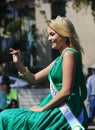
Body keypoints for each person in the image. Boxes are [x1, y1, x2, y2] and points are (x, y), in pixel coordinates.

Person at [0, 16, 88, 130]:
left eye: (52, 34)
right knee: (6, 116)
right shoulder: (59, 59)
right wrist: (18, 63)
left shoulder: (69, 54)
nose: (49, 39)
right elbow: (34, 79)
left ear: (64, 34)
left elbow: (66, 91)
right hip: (55, 105)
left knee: (6, 117)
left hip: (66, 109)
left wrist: (43, 108)